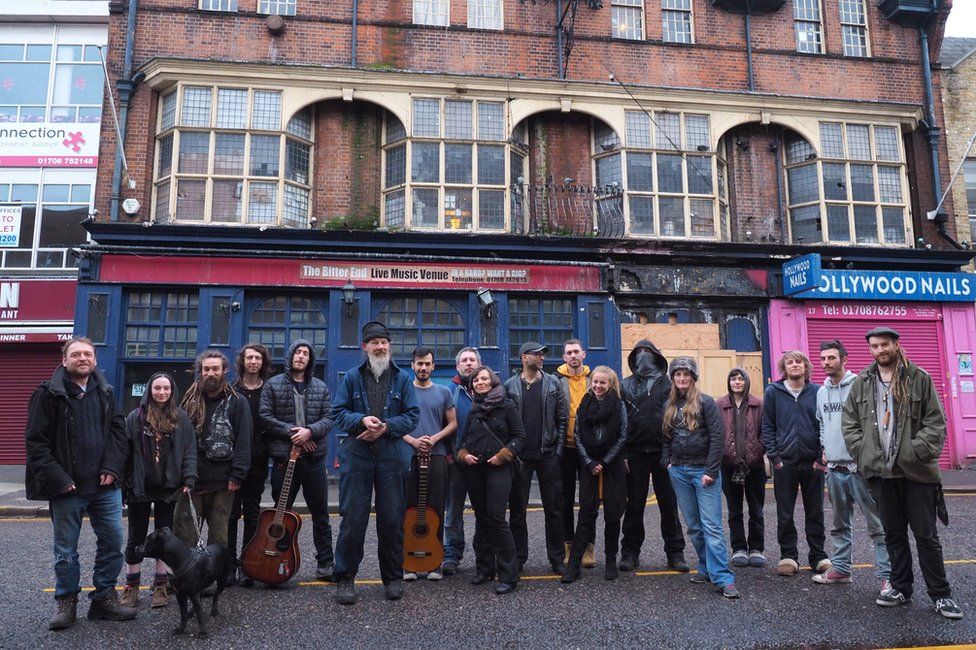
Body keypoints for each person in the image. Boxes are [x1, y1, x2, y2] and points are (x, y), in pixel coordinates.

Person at [843, 327, 962, 619]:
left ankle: (941, 595)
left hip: (915, 473)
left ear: (896, 345)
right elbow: (850, 423)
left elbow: (936, 422)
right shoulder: (862, 382)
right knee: (893, 534)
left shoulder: (919, 378)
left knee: (926, 535)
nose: (879, 350)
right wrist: (863, 451)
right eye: (874, 346)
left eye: (885, 345)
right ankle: (900, 587)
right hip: (880, 474)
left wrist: (914, 452)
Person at [25, 336, 137, 630]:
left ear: (95, 360)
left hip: (105, 487)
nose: (83, 358)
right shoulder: (47, 393)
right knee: (65, 551)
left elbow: (118, 434)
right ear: (65, 360)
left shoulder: (106, 391)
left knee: (113, 543)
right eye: (76, 354)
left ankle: (103, 599)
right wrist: (59, 480)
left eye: (88, 354)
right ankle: (66, 601)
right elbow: (36, 444)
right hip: (66, 488)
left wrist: (112, 467)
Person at [332, 321, 420, 605]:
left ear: (389, 346)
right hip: (357, 454)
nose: (380, 347)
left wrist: (386, 427)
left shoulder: (403, 379)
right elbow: (338, 413)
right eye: (374, 343)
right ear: (365, 347)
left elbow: (412, 416)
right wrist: (361, 420)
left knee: (393, 520)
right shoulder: (351, 377)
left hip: (392, 455)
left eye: (384, 342)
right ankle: (345, 579)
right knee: (352, 520)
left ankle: (393, 578)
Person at [813, 340, 891, 594]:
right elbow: (822, 423)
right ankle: (841, 569)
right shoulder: (821, 391)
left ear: (844, 359)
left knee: (877, 525)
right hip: (834, 470)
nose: (826, 363)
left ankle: (888, 577)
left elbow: (874, 423)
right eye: (823, 358)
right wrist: (826, 447)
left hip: (860, 469)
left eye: (831, 358)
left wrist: (866, 457)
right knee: (839, 524)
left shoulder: (859, 385)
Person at [662, 357, 739, 599]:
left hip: (703, 472)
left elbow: (718, 438)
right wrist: (668, 463)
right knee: (695, 527)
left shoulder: (706, 403)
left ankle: (724, 578)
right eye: (678, 374)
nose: (682, 378)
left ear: (694, 377)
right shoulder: (670, 405)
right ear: (673, 378)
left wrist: (711, 470)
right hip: (679, 472)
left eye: (686, 374)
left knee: (712, 527)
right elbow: (666, 437)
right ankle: (706, 567)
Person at [259, 340, 335, 581]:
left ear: (310, 360)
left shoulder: (320, 387)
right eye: (298, 352)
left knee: (321, 514)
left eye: (306, 353)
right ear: (290, 356)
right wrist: (296, 433)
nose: (301, 356)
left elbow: (329, 418)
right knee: (280, 515)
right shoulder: (273, 385)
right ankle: (275, 560)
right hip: (285, 461)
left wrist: (310, 432)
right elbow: (265, 416)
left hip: (313, 462)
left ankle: (325, 562)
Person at [120, 372, 197, 609]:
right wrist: (124, 485)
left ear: (172, 390)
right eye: (157, 388)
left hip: (169, 488)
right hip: (140, 487)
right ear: (149, 390)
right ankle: (132, 586)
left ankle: (161, 584)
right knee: (136, 536)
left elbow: (189, 450)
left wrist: (189, 478)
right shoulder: (135, 417)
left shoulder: (181, 418)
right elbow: (124, 453)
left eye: (166, 388)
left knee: (165, 538)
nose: (161, 392)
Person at [175, 351, 252, 564]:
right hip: (191, 480)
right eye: (206, 369)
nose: (210, 373)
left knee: (219, 537)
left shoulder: (238, 402)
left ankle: (213, 577)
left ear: (224, 371)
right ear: (200, 372)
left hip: (223, 481)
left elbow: (244, 441)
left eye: (215, 369)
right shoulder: (188, 400)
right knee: (186, 535)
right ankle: (188, 576)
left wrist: (237, 475)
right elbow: (179, 439)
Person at [619, 339, 688, 573]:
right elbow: (621, 422)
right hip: (635, 454)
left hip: (664, 454)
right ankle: (629, 552)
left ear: (656, 356)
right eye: (639, 352)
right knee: (634, 506)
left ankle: (675, 552)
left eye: (648, 352)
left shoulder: (670, 386)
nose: (643, 356)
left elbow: (680, 421)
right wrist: (624, 453)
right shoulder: (625, 385)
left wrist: (676, 453)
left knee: (669, 505)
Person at [458, 366, 525, 595]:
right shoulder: (474, 410)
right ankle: (484, 569)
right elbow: (464, 440)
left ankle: (509, 574)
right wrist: (464, 454)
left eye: (484, 378)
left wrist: (504, 455)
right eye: (476, 380)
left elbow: (520, 437)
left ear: (493, 381)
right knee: (481, 519)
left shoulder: (507, 406)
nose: (480, 382)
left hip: (499, 469)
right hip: (476, 470)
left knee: (497, 518)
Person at [503, 341, 568, 574]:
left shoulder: (553, 384)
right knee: (517, 510)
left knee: (554, 509)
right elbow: (505, 423)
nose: (541, 358)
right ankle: (519, 558)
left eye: (542, 355)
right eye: (536, 354)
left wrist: (558, 450)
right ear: (523, 357)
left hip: (548, 454)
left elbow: (562, 418)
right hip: (520, 457)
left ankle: (557, 558)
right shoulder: (510, 386)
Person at [762, 350, 829, 578]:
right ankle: (788, 556)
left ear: (806, 366)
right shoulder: (773, 392)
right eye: (789, 362)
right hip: (785, 464)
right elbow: (767, 426)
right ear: (784, 368)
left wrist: (821, 457)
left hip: (813, 464)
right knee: (785, 513)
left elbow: (825, 424)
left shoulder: (818, 391)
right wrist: (775, 458)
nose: (794, 365)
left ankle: (818, 556)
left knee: (815, 512)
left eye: (798, 361)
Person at [561, 366, 628, 584]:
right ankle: (574, 564)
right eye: (595, 382)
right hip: (589, 466)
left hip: (612, 466)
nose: (598, 386)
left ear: (611, 385)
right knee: (586, 515)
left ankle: (610, 561)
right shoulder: (584, 404)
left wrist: (605, 461)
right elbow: (578, 435)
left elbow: (622, 436)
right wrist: (590, 462)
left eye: (603, 383)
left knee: (612, 515)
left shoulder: (619, 406)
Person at [402, 346, 457, 581]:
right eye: (419, 364)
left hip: (437, 457)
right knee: (408, 510)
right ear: (412, 365)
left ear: (433, 367)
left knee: (435, 509)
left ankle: (435, 562)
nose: (423, 367)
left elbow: (452, 423)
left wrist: (433, 439)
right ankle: (409, 564)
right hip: (408, 457)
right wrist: (413, 440)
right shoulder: (403, 392)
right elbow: (392, 423)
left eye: (427, 364)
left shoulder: (444, 392)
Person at [229, 343, 272, 587]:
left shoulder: (268, 390)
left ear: (263, 363)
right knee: (231, 513)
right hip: (232, 459)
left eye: (257, 358)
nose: (253, 362)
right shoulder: (232, 390)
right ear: (243, 362)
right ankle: (229, 565)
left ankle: (248, 565)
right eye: (249, 358)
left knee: (252, 513)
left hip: (258, 459)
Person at [716, 367, 766, 569]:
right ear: (728, 383)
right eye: (733, 379)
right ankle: (738, 548)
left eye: (740, 379)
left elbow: (766, 432)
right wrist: (725, 455)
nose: (737, 382)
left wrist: (756, 454)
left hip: (754, 466)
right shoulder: (720, 405)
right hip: (728, 466)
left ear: (746, 382)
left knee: (756, 510)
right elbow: (716, 433)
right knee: (734, 510)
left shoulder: (758, 404)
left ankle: (756, 549)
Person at [556, 339, 594, 568]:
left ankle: (588, 545)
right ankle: (569, 544)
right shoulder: (556, 382)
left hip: (589, 450)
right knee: (565, 500)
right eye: (568, 352)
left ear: (584, 354)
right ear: (564, 357)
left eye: (576, 352)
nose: (573, 356)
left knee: (589, 501)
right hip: (565, 449)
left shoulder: (594, 379)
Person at [443, 346, 480, 575]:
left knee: (484, 512)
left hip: (483, 464)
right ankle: (451, 555)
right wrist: (449, 455)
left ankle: (484, 554)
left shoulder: (491, 390)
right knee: (453, 512)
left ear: (479, 364)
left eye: (472, 360)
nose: (468, 363)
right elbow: (442, 426)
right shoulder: (449, 392)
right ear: (457, 366)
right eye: (464, 360)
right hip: (455, 464)